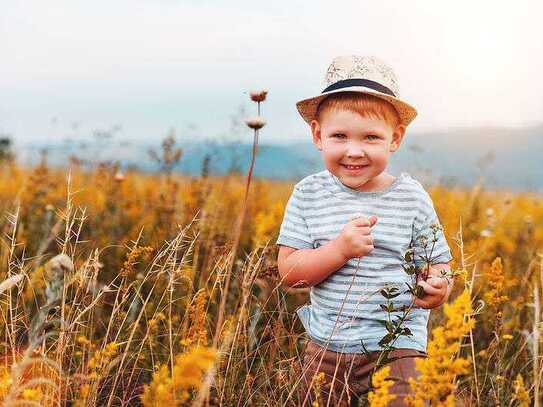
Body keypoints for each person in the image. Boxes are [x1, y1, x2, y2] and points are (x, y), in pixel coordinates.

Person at [276, 55, 454, 406]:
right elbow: (290, 275)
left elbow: (439, 263)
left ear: (395, 139)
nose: (354, 151)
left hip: (398, 345)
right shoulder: (308, 194)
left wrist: (438, 286)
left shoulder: (412, 196)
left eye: (371, 137)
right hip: (328, 346)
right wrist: (338, 250)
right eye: (339, 135)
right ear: (317, 135)